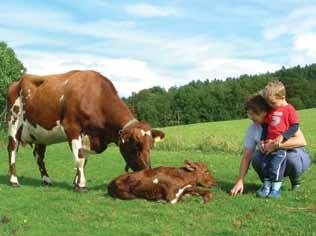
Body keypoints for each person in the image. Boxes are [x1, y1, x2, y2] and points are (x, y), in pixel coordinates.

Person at [230, 94, 310, 197]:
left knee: (291, 158)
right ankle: (269, 185)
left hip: (296, 156)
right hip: (273, 158)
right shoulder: (253, 128)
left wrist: (276, 145)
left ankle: (295, 180)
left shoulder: (281, 120)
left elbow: (302, 141)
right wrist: (240, 180)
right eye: (249, 114)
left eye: (253, 114)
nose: (250, 117)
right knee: (256, 157)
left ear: (264, 112)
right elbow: (246, 156)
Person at [257, 81, 300, 198]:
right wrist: (262, 140)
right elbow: (265, 127)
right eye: (268, 103)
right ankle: (266, 187)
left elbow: (295, 126)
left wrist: (282, 137)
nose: (270, 105)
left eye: (273, 102)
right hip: (268, 145)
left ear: (282, 97)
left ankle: (276, 189)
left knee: (275, 166)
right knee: (265, 166)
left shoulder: (289, 109)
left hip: (280, 147)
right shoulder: (271, 111)